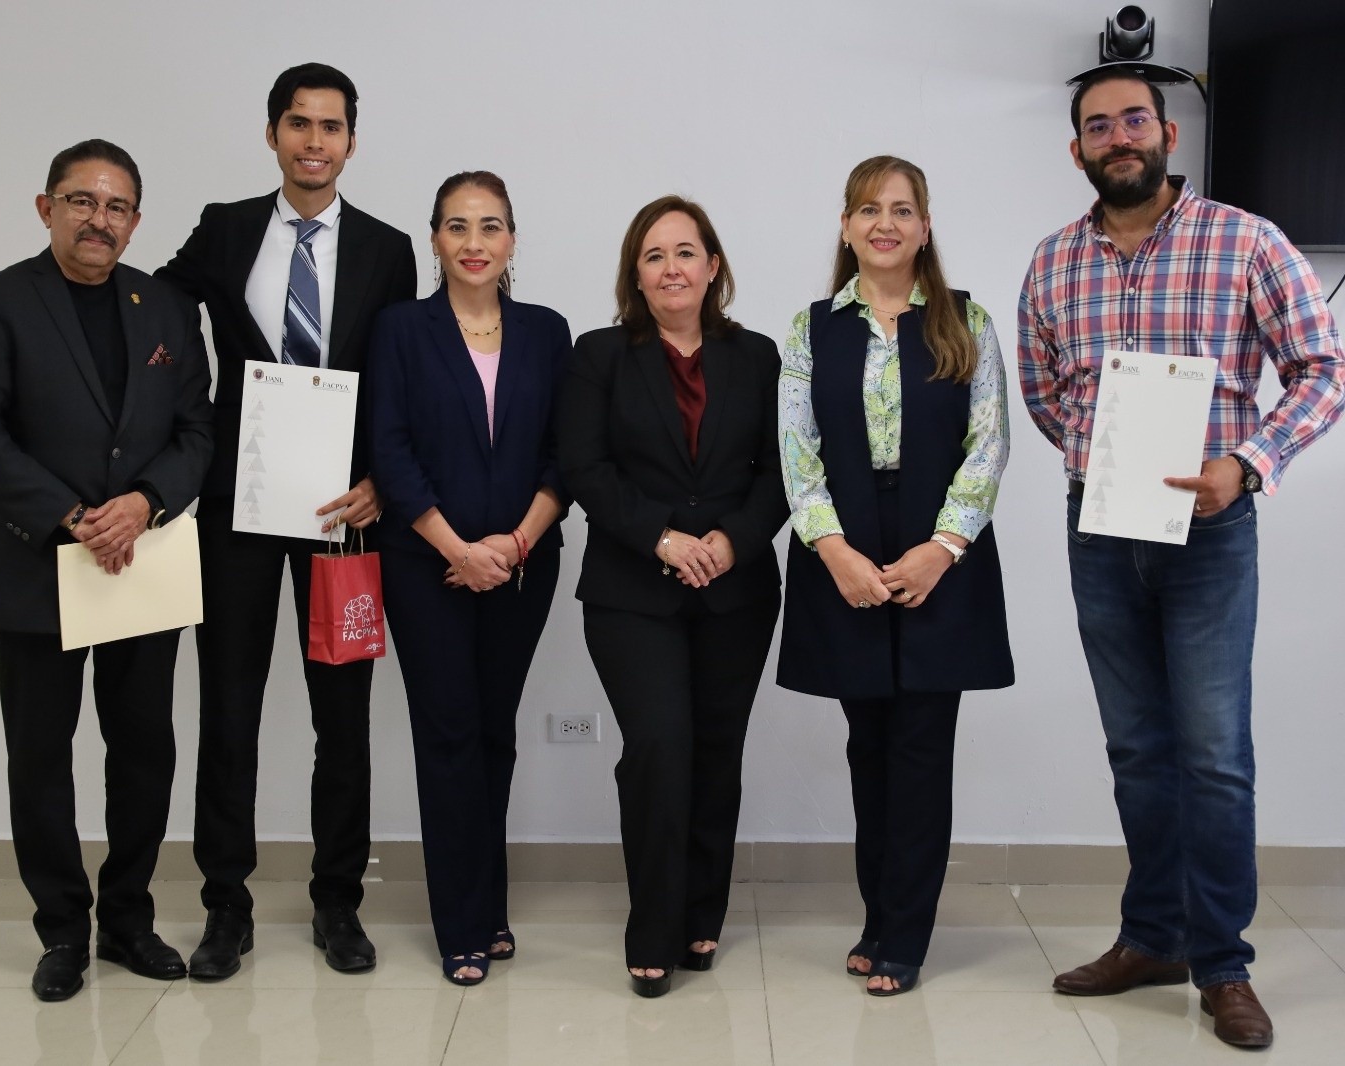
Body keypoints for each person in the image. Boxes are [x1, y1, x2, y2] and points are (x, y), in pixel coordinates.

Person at [1017, 68, 1345, 1048]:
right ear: (1075, 148)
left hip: (1210, 535)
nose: (1116, 137)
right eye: (1095, 126)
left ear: (1164, 133)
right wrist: (1099, 469)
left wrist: (1244, 463)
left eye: (1131, 120)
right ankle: (1150, 937)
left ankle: (1221, 965)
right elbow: (1048, 396)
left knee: (1213, 759)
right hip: (1099, 531)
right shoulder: (1050, 262)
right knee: (1137, 753)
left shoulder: (1244, 239)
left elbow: (1324, 366)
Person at [155, 63, 417, 979]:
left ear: (352, 140)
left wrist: (384, 479)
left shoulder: (388, 248)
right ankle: (224, 907)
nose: (314, 141)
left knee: (340, 715)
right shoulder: (225, 229)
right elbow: (141, 298)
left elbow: (400, 375)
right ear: (271, 134)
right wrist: (2, 316)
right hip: (238, 502)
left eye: (331, 126)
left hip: (343, 510)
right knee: (228, 708)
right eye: (298, 124)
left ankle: (337, 902)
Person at [0, 139, 214, 1001]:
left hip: (144, 561)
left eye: (118, 206)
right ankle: (61, 931)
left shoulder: (169, 307)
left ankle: (128, 918)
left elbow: (198, 432)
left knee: (143, 752)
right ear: (45, 206)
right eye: (82, 201)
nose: (100, 220)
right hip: (35, 568)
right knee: (41, 756)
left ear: (136, 222)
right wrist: (71, 519)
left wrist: (143, 502)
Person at [777, 155, 1014, 997]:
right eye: (869, 209)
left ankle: (905, 938)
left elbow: (988, 445)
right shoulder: (813, 329)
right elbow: (797, 452)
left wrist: (942, 548)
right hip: (842, 552)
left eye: (903, 209)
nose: (886, 223)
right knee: (866, 746)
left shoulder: (967, 322)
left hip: (935, 550)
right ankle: (877, 919)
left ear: (924, 227)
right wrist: (833, 550)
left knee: (921, 749)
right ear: (845, 226)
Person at [559, 196, 788, 998]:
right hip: (631, 590)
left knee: (716, 753)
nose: (671, 269)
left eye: (686, 253)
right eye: (654, 256)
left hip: (738, 589)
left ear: (713, 266)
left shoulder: (758, 358)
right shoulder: (599, 356)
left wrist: (730, 541)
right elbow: (586, 468)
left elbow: (782, 469)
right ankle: (650, 925)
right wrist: (662, 537)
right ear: (636, 274)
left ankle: (702, 914)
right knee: (659, 744)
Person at [366, 172, 571, 986]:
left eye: (490, 227)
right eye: (458, 226)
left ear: (513, 239)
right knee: (447, 734)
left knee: (494, 731)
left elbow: (567, 454)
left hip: (524, 567)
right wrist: (456, 547)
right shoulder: (400, 330)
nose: (475, 242)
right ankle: (461, 923)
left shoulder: (549, 333)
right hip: (427, 567)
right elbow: (390, 450)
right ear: (435, 240)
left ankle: (490, 907)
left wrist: (514, 545)